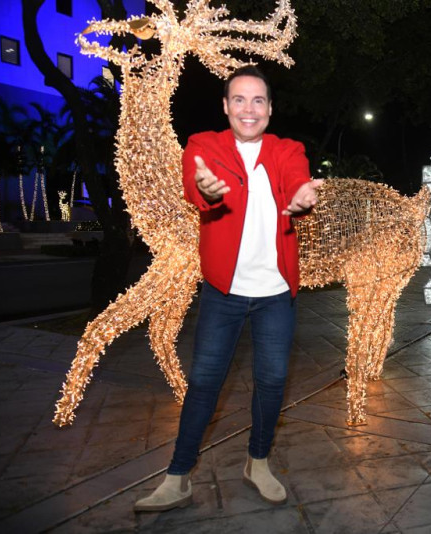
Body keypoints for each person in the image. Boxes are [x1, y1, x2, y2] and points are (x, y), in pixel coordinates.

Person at [134, 66, 322, 512]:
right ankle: (178, 476)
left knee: (272, 382)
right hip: (223, 291)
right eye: (239, 99)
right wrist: (207, 190)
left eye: (258, 100)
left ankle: (258, 463)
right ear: (225, 106)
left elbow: (295, 177)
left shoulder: (287, 149)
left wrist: (300, 196)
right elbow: (195, 187)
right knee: (203, 382)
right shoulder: (204, 146)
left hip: (275, 293)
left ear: (270, 108)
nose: (248, 109)